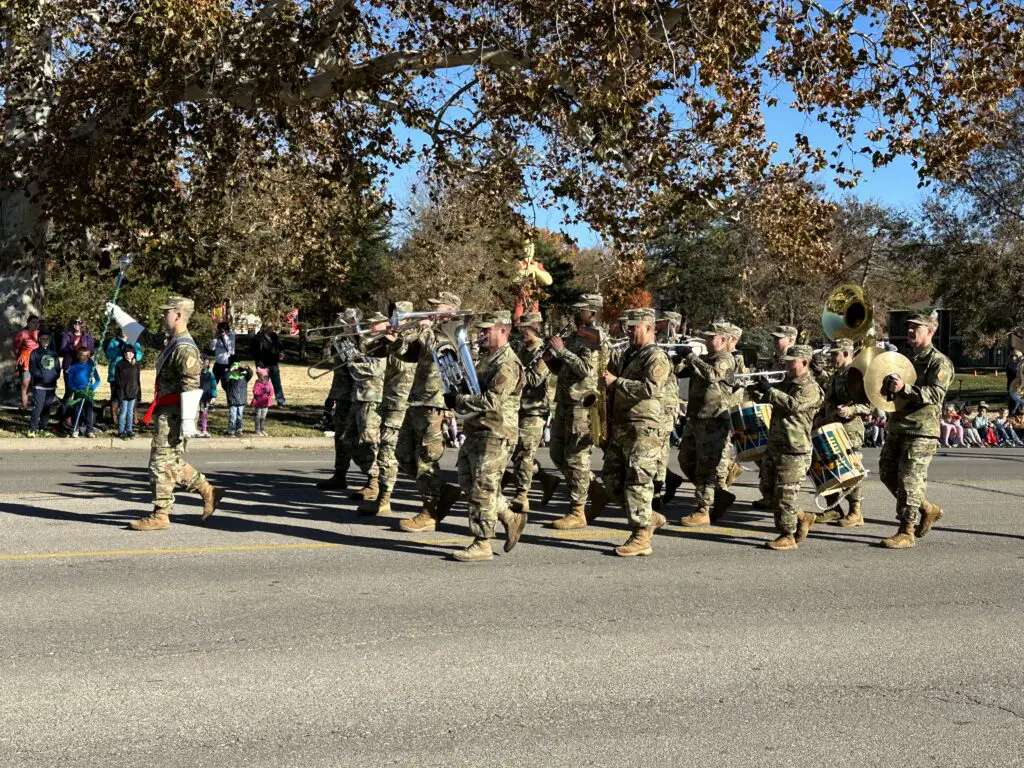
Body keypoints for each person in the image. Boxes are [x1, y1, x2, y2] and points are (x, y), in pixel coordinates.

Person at [106, 295, 225, 530]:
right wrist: (118, 315)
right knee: (172, 462)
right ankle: (209, 491)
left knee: (160, 463)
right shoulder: (171, 340)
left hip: (175, 414)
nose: (163, 316)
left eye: (167, 312)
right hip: (166, 410)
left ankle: (161, 514)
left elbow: (192, 386)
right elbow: (144, 336)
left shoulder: (185, 348)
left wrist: (189, 422)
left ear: (178, 315)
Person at [442, 310, 526, 562]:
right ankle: (510, 516)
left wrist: (460, 399)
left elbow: (492, 400)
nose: (480, 335)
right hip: (477, 430)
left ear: (503, 331)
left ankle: (482, 543)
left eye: (486, 330)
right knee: (468, 483)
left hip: (496, 432)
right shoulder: (488, 359)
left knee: (482, 489)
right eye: (480, 330)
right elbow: (473, 389)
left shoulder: (507, 363)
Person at [589, 308, 671, 557]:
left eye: (634, 326)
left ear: (649, 327)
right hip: (622, 426)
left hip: (644, 428)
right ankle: (648, 517)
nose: (628, 330)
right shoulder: (629, 354)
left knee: (638, 482)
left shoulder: (656, 356)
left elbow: (651, 389)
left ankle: (641, 536)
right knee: (612, 482)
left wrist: (617, 382)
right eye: (628, 326)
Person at [876, 310, 955, 549]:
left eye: (916, 328)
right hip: (899, 426)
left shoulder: (939, 362)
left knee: (910, 481)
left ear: (929, 332)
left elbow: (935, 394)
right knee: (887, 474)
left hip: (922, 429)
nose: (910, 331)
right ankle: (927, 509)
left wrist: (905, 388)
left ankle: (906, 531)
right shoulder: (906, 360)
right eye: (909, 327)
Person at [394, 293, 464, 533]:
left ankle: (429, 510)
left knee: (427, 458)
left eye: (437, 307)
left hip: (436, 403)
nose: (431, 310)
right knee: (403, 454)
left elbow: (442, 352)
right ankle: (438, 491)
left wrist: (424, 330)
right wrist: (396, 339)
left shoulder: (455, 330)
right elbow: (408, 355)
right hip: (417, 399)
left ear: (451, 310)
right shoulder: (432, 331)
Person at [544, 294, 611, 530]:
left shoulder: (594, 337)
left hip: (581, 405)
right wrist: (551, 358)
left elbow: (586, 370)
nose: (575, 313)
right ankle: (595, 490)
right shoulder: (576, 335)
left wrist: (562, 352)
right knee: (557, 454)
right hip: (564, 402)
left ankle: (577, 511)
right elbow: (564, 370)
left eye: (580, 310)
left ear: (592, 312)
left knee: (576, 458)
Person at [753, 344, 824, 551]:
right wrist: (758, 390)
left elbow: (793, 405)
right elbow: (775, 403)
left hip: (795, 448)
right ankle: (803, 517)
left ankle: (788, 535)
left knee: (785, 494)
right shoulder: (787, 382)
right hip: (776, 443)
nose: (786, 365)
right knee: (770, 490)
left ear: (804, 362)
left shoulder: (809, 386)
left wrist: (770, 391)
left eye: (791, 362)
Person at [675, 321, 738, 526]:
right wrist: (679, 356)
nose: (707, 340)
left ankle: (703, 509)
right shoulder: (704, 358)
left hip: (714, 418)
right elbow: (679, 371)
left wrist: (691, 357)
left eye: (712, 337)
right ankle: (718, 494)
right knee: (686, 460)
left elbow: (713, 375)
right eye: (707, 336)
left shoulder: (725, 359)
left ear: (724, 339)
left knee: (706, 466)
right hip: (696, 417)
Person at [358, 302, 416, 516]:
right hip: (389, 401)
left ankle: (384, 500)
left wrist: (395, 342)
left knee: (387, 454)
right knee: (399, 454)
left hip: (402, 403)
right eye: (394, 316)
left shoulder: (413, 339)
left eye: (399, 316)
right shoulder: (395, 337)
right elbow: (369, 353)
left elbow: (403, 366)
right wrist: (369, 338)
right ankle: (435, 492)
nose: (395, 320)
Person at [818, 338, 873, 526]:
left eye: (835, 354)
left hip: (850, 429)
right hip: (831, 426)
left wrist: (850, 410)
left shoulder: (856, 376)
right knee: (826, 468)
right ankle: (833, 508)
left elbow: (869, 406)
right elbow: (828, 401)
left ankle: (856, 511)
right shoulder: (834, 376)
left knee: (849, 470)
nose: (832, 358)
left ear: (847, 354)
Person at [508, 312, 559, 514]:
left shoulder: (543, 351)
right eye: (521, 329)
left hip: (534, 409)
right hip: (518, 407)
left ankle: (522, 494)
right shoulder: (522, 349)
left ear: (535, 327)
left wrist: (514, 372)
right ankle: (546, 479)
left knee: (525, 453)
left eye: (525, 329)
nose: (521, 333)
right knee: (516, 453)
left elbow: (536, 379)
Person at [340, 313, 388, 498]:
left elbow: (375, 368)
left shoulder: (385, 344)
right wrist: (352, 336)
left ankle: (374, 483)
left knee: (370, 442)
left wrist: (352, 363)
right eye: (370, 323)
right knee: (349, 440)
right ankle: (371, 475)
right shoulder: (368, 342)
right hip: (358, 396)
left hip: (374, 398)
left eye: (375, 323)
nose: (371, 326)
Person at [316, 309, 359, 487]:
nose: (342, 324)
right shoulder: (340, 341)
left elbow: (357, 365)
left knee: (361, 438)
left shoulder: (361, 341)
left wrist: (356, 338)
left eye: (347, 321)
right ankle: (339, 475)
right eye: (342, 321)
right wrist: (331, 395)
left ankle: (374, 481)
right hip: (342, 394)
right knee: (340, 437)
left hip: (359, 395)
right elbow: (340, 372)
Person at [654, 311, 685, 508]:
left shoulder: (676, 345)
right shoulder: (658, 341)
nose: (661, 325)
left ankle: (656, 493)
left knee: (659, 449)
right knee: (654, 450)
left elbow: (679, 369)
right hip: (655, 401)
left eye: (666, 323)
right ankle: (669, 479)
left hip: (665, 402)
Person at [105, 329, 142, 428]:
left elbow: (139, 355)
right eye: (122, 329)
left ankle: (134, 419)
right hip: (115, 375)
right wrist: (118, 349)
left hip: (130, 376)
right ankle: (115, 420)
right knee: (115, 397)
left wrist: (131, 351)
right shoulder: (114, 342)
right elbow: (108, 355)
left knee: (131, 397)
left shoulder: (134, 341)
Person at [27, 329, 61, 436]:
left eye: (47, 339)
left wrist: (54, 377)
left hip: (51, 385)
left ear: (50, 340)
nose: (45, 340)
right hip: (39, 386)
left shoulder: (54, 354)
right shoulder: (35, 353)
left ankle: (43, 427)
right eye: (43, 339)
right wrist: (41, 378)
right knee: (38, 406)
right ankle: (32, 429)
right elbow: (33, 369)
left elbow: (57, 368)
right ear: (39, 340)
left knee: (47, 407)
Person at [63, 347, 101, 437]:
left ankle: (89, 430)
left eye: (87, 356)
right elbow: (70, 380)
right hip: (78, 391)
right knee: (77, 410)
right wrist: (74, 388)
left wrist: (91, 388)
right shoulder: (74, 367)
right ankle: (75, 429)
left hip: (88, 392)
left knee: (89, 411)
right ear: (78, 356)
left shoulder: (91, 367)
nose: (85, 357)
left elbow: (98, 380)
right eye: (82, 355)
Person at [250, 321, 286, 405]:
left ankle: (281, 401)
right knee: (262, 384)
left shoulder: (275, 337)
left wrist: (282, 353)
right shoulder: (257, 338)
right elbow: (252, 351)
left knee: (277, 383)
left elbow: (281, 347)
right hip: (263, 365)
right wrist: (258, 360)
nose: (272, 330)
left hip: (273, 364)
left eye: (272, 328)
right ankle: (260, 401)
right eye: (270, 328)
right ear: (265, 328)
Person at [112, 345, 142, 438]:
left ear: (134, 354)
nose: (130, 354)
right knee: (123, 412)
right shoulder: (119, 365)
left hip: (133, 392)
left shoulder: (136, 365)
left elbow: (137, 380)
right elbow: (117, 381)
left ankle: (129, 430)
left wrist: (139, 393)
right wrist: (120, 393)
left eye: (132, 353)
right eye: (128, 352)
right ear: (124, 354)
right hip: (123, 393)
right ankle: (121, 431)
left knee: (130, 413)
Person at [13, 315, 40, 410]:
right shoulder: (22, 334)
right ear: (28, 323)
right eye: (33, 322)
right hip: (26, 361)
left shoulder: (40, 334)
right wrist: (20, 358)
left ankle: (37, 406)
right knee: (25, 384)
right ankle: (24, 407)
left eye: (37, 322)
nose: (36, 324)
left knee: (38, 385)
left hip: (38, 362)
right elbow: (16, 348)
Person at [60, 317, 95, 388]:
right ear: (72, 324)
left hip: (83, 360)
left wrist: (83, 351)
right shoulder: (66, 335)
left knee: (83, 385)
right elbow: (62, 349)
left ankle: (84, 395)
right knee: (69, 387)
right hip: (70, 361)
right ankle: (68, 397)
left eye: (79, 322)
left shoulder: (87, 336)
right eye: (75, 322)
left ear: (82, 324)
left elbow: (91, 350)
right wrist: (72, 347)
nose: (77, 324)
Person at [224, 357, 253, 436]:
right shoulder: (230, 378)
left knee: (239, 417)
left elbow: (250, 374)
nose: (237, 371)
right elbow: (225, 377)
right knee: (233, 417)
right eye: (235, 369)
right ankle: (231, 431)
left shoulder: (244, 377)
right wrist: (230, 369)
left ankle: (239, 430)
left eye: (239, 370)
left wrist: (247, 368)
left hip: (241, 401)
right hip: (233, 401)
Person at [209, 321, 236, 386]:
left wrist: (224, 336)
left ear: (227, 330)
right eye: (219, 330)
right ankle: (212, 395)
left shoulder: (231, 336)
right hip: (218, 363)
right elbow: (211, 348)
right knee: (213, 383)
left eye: (222, 330)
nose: (220, 332)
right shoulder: (217, 336)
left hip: (227, 364)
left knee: (227, 384)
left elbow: (231, 350)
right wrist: (215, 338)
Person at [251, 366, 275, 436]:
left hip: (266, 403)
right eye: (262, 376)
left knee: (263, 417)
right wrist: (262, 390)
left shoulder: (269, 382)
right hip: (258, 402)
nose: (264, 378)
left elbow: (272, 392)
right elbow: (255, 392)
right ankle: (257, 430)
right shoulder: (257, 382)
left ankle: (262, 429)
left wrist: (269, 391)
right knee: (258, 416)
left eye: (265, 376)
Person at [198, 355, 217, 438]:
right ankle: (194, 429)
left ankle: (204, 430)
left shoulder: (210, 374)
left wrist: (214, 396)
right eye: (204, 362)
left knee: (204, 414)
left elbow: (213, 386)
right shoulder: (196, 373)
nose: (205, 364)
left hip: (206, 397)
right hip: (196, 396)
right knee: (195, 414)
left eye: (207, 362)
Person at [1005, 350, 1023, 416]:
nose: (1013, 358)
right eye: (1012, 356)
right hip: (1013, 389)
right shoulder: (1009, 365)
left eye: (1016, 356)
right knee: (1013, 405)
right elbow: (1015, 371)